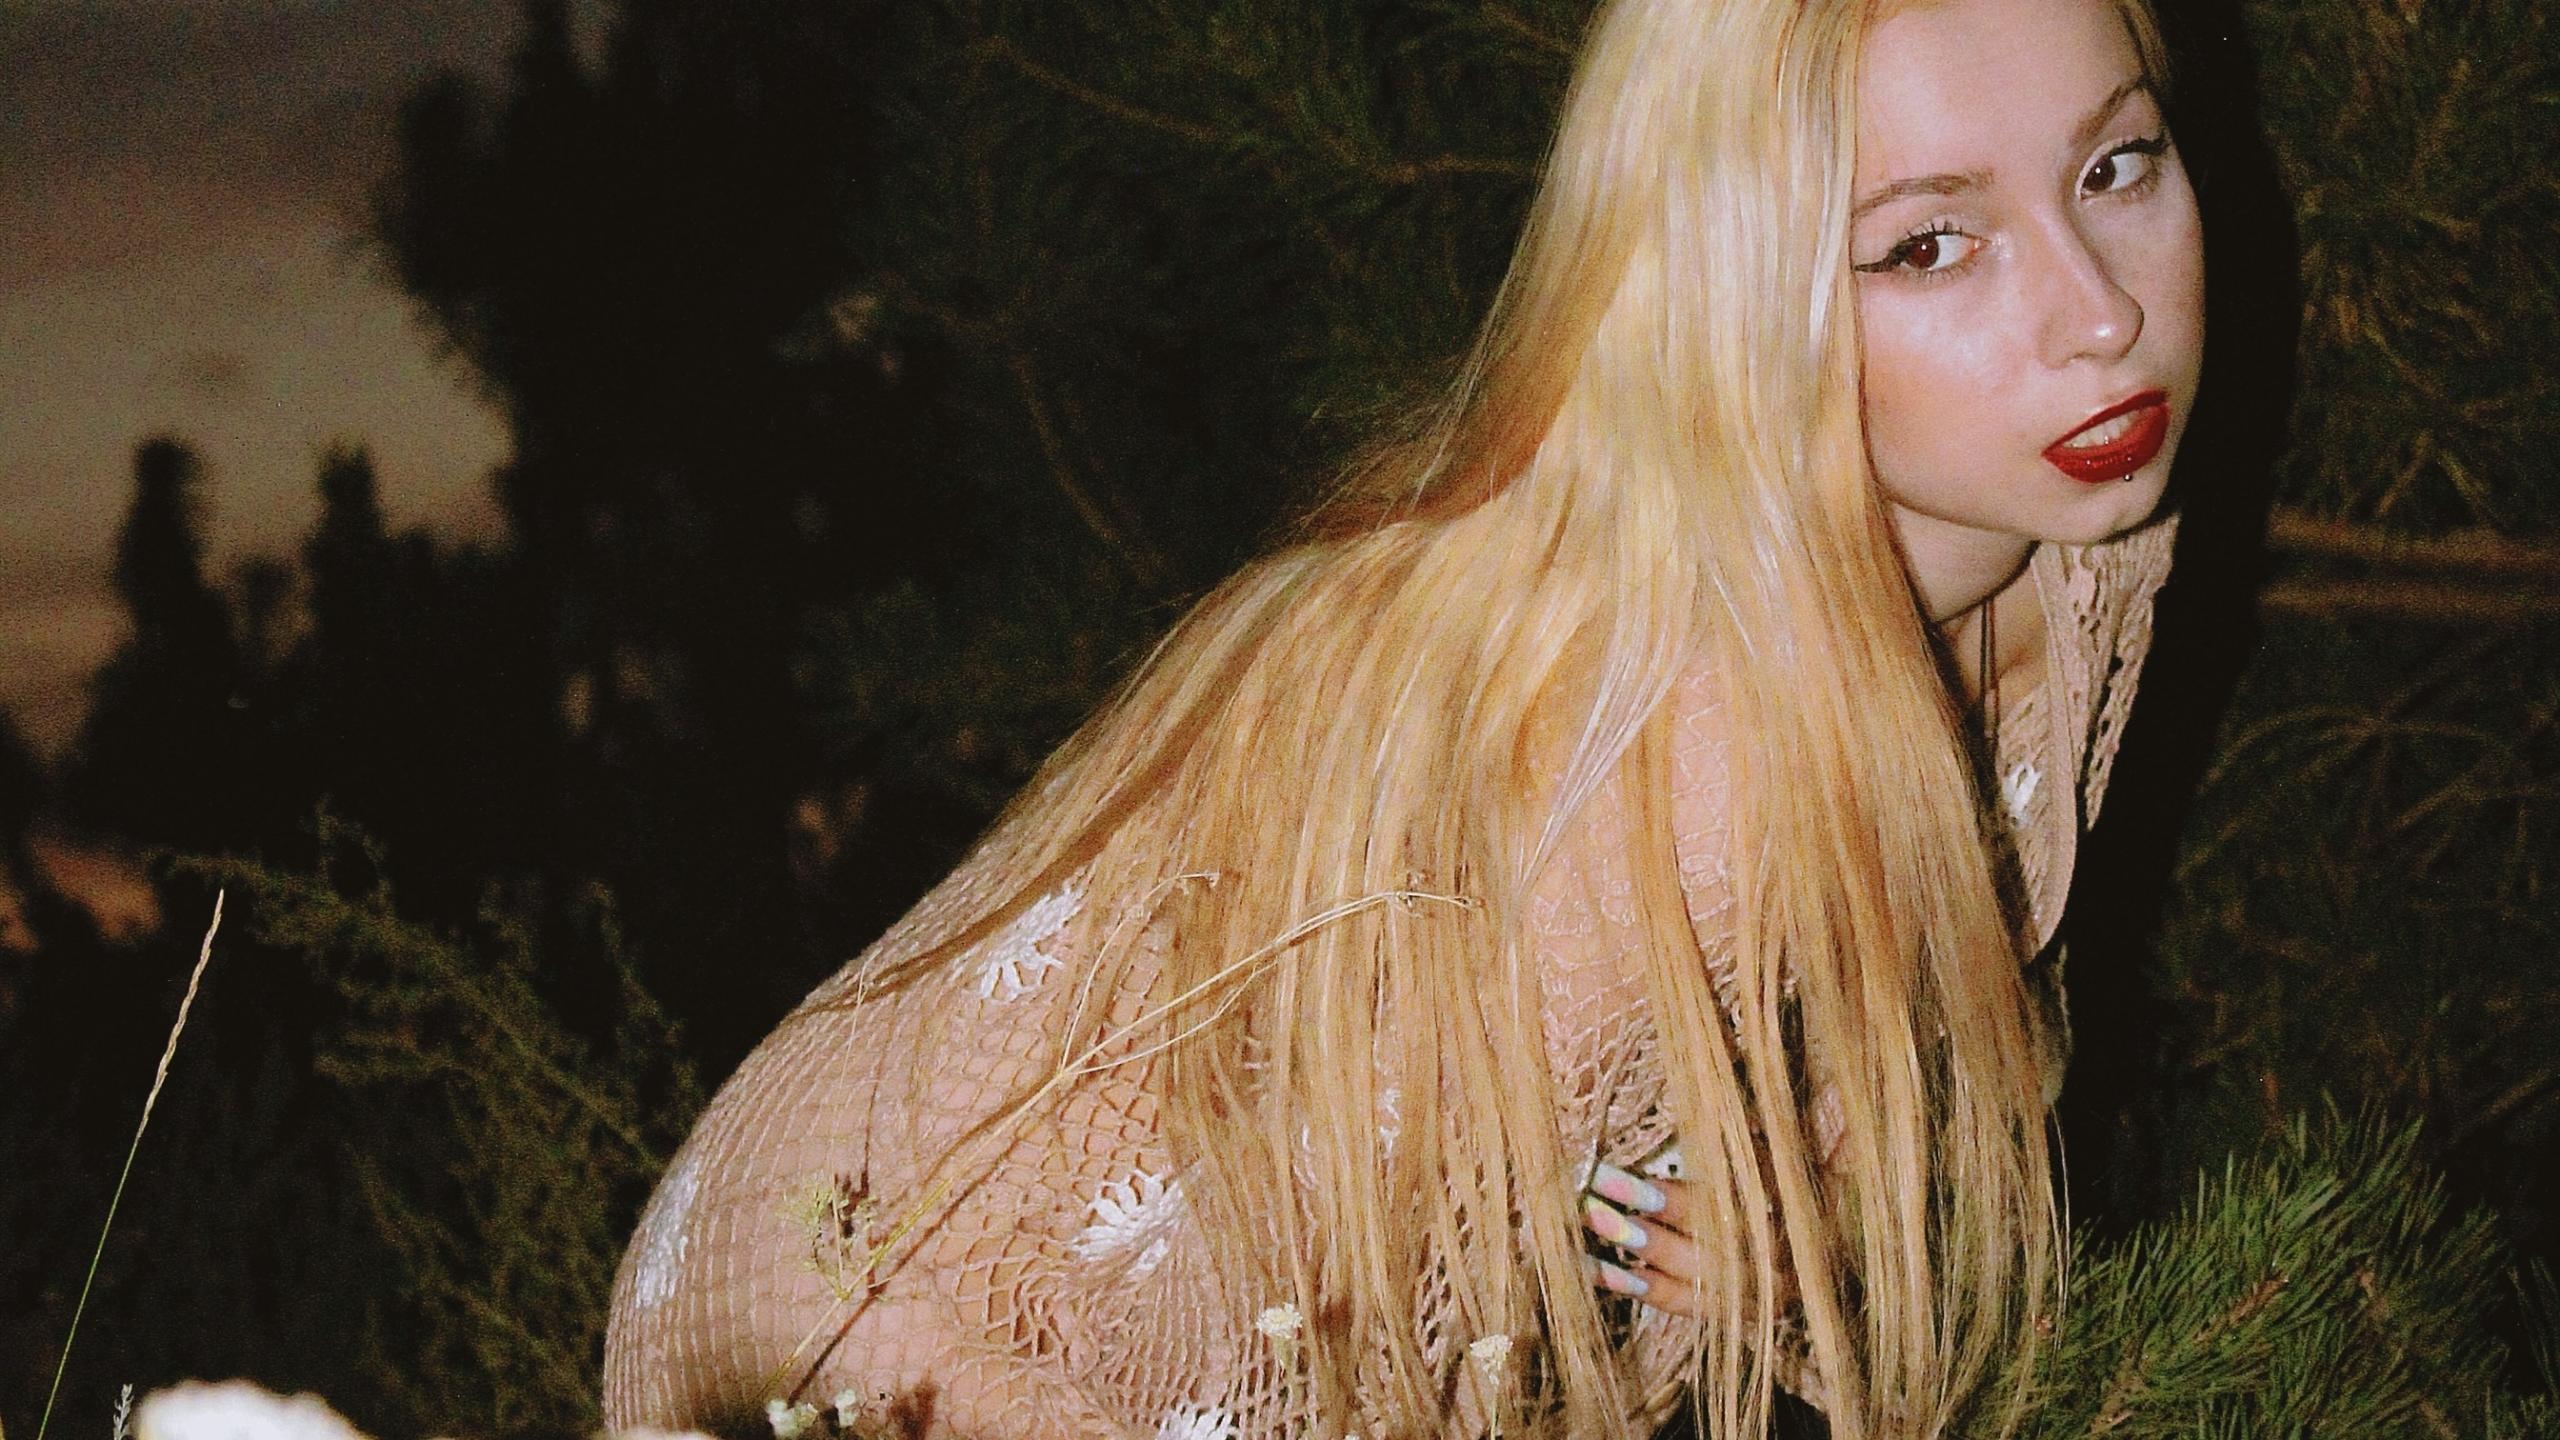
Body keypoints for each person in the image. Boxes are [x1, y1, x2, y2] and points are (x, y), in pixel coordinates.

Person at [602, 0, 2204, 1432]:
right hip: (888, 1325)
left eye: (2118, 165)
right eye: (1928, 246)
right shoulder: (1680, 749)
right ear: (1731, 291)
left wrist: (1806, 1230)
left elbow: (1893, 1043)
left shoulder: (2073, 556)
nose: (2099, 313)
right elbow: (1300, 1315)